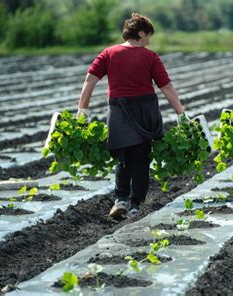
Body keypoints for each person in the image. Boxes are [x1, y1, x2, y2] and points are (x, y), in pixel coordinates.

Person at [76, 13, 189, 219]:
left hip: (118, 110)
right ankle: (135, 204)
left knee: (123, 157)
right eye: (148, 36)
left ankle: (120, 199)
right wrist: (180, 113)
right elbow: (166, 86)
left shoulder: (109, 53)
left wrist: (82, 109)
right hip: (145, 110)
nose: (149, 41)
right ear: (140, 33)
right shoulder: (150, 56)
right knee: (141, 158)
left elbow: (90, 79)